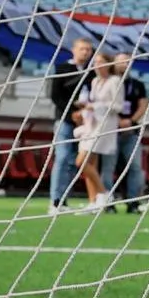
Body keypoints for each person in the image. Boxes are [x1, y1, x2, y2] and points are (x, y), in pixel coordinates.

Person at [48, 37, 97, 213]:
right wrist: (71, 112)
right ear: (74, 50)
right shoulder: (62, 69)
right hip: (65, 120)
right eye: (82, 48)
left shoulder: (93, 72)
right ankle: (55, 201)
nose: (85, 52)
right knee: (61, 158)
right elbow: (55, 96)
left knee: (74, 162)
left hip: (88, 123)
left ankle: (64, 200)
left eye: (88, 49)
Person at [73, 57, 121, 212]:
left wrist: (93, 106)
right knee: (90, 164)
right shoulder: (94, 82)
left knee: (81, 162)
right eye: (96, 63)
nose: (98, 66)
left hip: (105, 126)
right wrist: (83, 110)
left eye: (101, 62)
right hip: (92, 125)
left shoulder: (115, 81)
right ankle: (93, 202)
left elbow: (118, 106)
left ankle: (104, 193)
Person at [110, 53, 149, 213]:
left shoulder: (137, 84)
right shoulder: (109, 83)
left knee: (134, 166)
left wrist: (131, 121)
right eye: (120, 62)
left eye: (127, 62)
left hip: (131, 131)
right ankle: (107, 201)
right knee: (108, 167)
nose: (124, 65)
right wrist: (117, 121)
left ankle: (133, 202)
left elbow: (143, 104)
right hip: (111, 130)